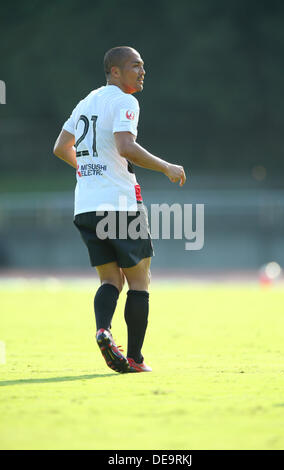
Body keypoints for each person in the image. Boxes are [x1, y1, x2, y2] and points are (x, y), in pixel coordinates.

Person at [53, 46, 186, 373]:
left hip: (85, 207)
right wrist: (166, 166)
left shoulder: (86, 102)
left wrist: (88, 169)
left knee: (110, 280)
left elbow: (60, 148)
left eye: (142, 66)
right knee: (140, 281)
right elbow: (126, 146)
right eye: (134, 66)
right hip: (120, 206)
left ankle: (103, 330)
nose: (142, 72)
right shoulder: (125, 101)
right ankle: (136, 359)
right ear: (114, 71)